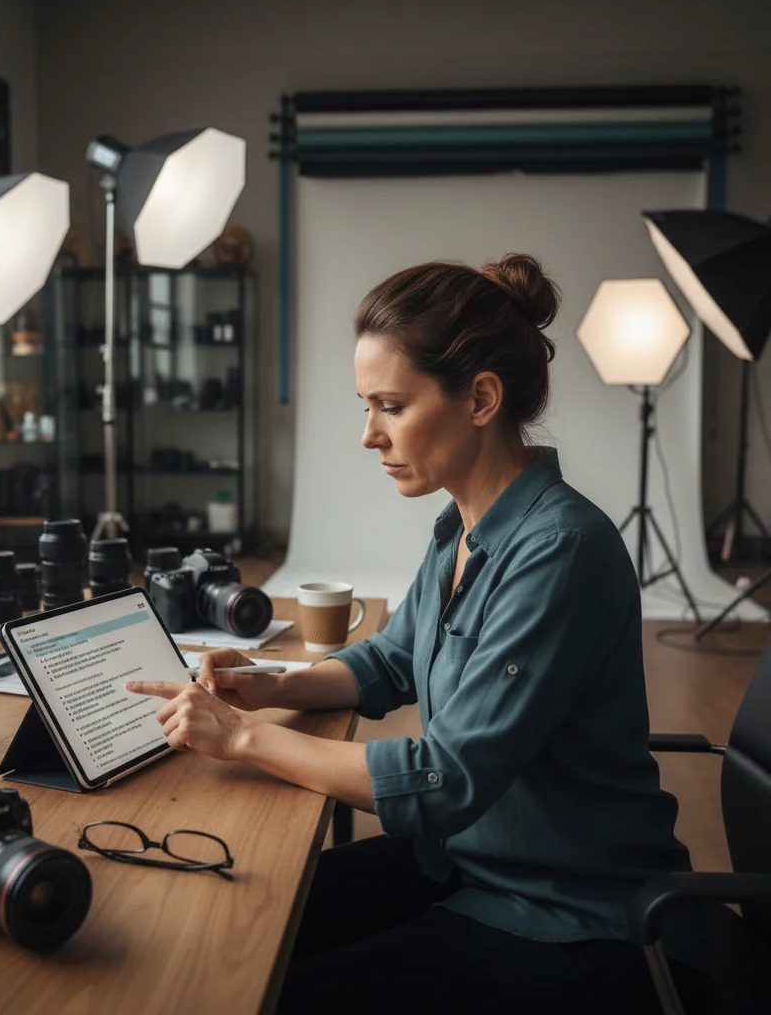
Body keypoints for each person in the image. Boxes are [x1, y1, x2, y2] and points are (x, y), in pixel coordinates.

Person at [127, 255, 708, 1013]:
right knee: (231, 922)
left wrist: (240, 738)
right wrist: (266, 684)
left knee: (268, 988)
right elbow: (394, 658)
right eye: (366, 406)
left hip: (575, 916)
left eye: (390, 406)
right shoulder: (459, 527)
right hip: (469, 864)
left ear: (482, 398)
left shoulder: (560, 551)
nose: (369, 435)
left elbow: (446, 778)